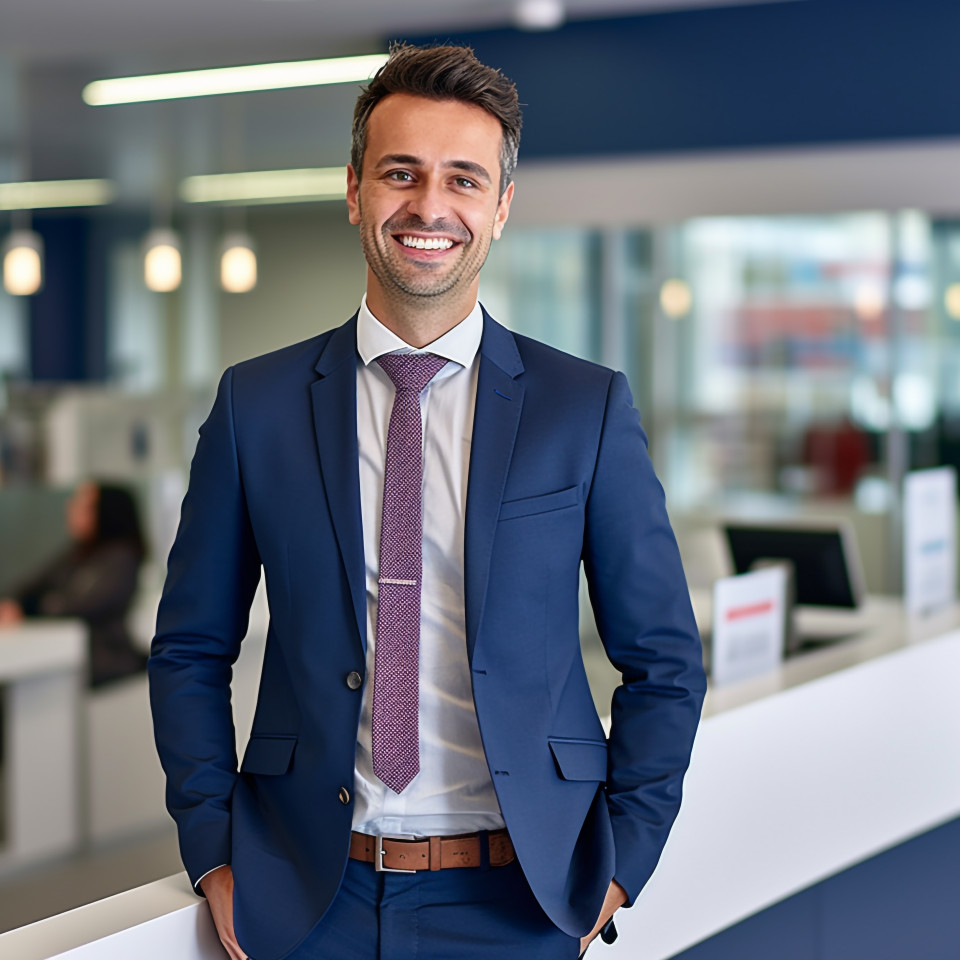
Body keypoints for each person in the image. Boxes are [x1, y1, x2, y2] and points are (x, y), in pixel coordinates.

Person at [149, 43, 705, 960]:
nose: (429, 206)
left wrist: (621, 862)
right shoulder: (257, 406)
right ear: (355, 190)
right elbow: (189, 648)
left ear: (501, 208)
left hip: (520, 900)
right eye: (400, 173)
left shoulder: (584, 407)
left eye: (463, 179)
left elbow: (665, 660)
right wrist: (212, 846)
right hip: (305, 896)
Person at [0, 480, 147, 688]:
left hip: (105, 663)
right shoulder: (77, 553)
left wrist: (28, 609)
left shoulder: (121, 559)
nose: (71, 508)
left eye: (83, 505)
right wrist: (14, 603)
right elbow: (31, 585)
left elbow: (79, 607)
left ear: (105, 512)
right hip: (67, 660)